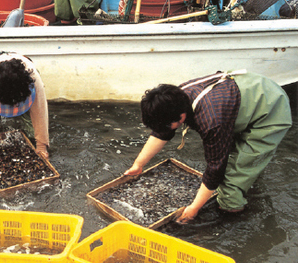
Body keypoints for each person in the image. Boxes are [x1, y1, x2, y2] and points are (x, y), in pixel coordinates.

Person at [125, 70, 292, 222]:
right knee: (234, 159)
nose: (162, 130)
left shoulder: (212, 122)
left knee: (231, 185)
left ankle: (234, 215)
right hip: (249, 92)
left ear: (181, 117)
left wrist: (194, 209)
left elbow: (215, 169)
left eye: (167, 125)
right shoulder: (175, 98)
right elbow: (163, 132)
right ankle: (248, 180)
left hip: (269, 109)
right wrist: (138, 165)